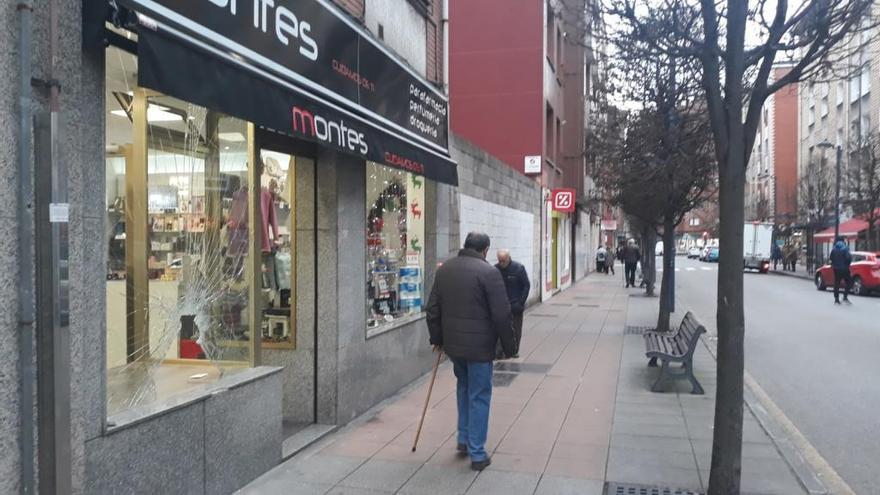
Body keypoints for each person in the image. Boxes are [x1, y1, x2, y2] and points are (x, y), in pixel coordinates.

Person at [426, 232, 515, 471]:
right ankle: (477, 452)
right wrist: (509, 347)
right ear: (485, 250)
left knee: (464, 388)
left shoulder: (445, 270)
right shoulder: (489, 273)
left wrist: (437, 338)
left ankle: (464, 439)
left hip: (454, 347)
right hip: (479, 348)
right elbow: (502, 314)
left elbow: (433, 308)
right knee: (479, 395)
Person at [496, 249, 530, 358]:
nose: (502, 263)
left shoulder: (518, 269)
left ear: (508, 258)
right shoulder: (495, 269)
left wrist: (521, 302)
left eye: (503, 261)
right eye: (500, 261)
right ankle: (499, 351)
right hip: (501, 304)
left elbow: (526, 286)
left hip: (515, 304)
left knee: (516, 328)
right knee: (500, 328)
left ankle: (514, 350)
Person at [829, 237, 853, 305]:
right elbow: (848, 258)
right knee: (849, 282)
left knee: (837, 283)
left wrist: (834, 265)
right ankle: (845, 296)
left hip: (836, 268)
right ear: (843, 241)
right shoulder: (845, 248)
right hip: (844, 268)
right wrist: (847, 264)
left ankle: (836, 299)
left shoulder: (834, 249)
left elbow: (831, 258)